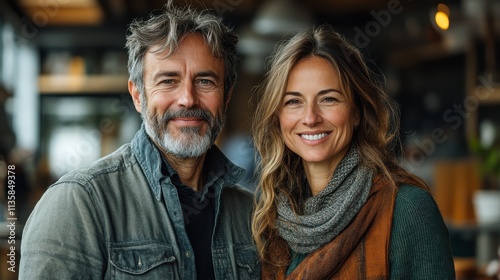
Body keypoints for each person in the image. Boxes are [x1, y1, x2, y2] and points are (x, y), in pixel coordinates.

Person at [20, 2, 260, 279]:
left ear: (226, 97)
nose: (187, 99)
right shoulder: (79, 203)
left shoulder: (252, 213)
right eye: (168, 81)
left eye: (205, 81)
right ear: (137, 96)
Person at [251, 25, 455, 279]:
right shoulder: (272, 219)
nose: (310, 117)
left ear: (356, 112)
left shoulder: (407, 209)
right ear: (278, 117)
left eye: (329, 99)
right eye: (294, 101)